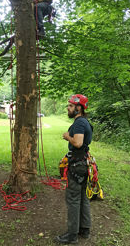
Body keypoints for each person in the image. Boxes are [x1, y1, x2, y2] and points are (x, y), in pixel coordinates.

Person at [56, 94, 93, 244]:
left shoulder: (79, 123)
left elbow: (77, 143)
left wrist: (67, 136)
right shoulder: (86, 122)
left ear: (79, 108)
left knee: (73, 199)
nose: (68, 108)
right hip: (83, 163)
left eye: (71, 106)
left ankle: (72, 235)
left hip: (77, 165)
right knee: (83, 197)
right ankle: (85, 229)